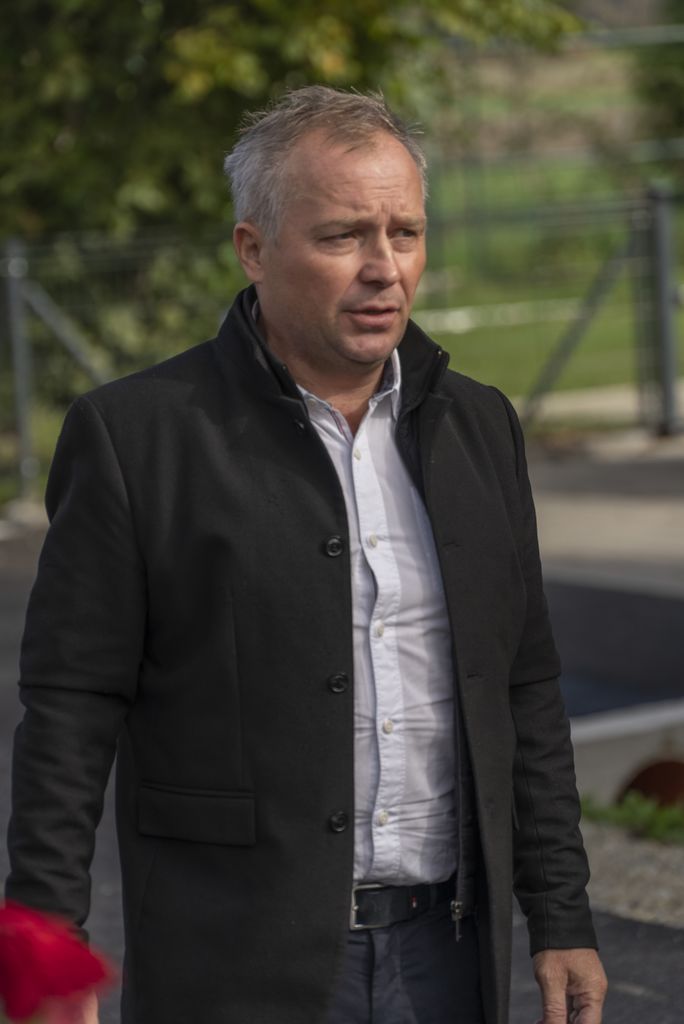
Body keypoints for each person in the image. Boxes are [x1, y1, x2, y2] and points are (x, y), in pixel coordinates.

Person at [6, 86, 607, 1024]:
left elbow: (524, 687)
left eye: (404, 233)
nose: (384, 269)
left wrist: (562, 915)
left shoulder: (481, 426)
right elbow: (70, 709)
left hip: (448, 961)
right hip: (232, 969)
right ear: (253, 249)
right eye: (342, 237)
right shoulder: (136, 438)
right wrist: (45, 950)